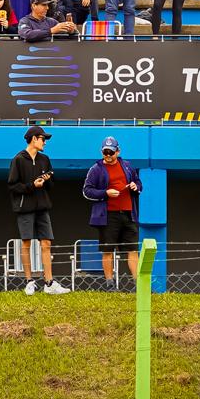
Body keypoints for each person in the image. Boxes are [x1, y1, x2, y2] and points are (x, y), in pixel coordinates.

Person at [8, 126, 69, 294]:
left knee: (46, 243)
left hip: (42, 207)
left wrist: (47, 180)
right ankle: (29, 282)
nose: (45, 142)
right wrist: (31, 185)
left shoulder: (45, 159)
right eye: (43, 139)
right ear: (34, 139)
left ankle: (49, 283)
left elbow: (51, 184)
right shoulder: (18, 160)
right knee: (26, 243)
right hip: (25, 208)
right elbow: (12, 186)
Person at [81, 136, 142, 290]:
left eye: (111, 152)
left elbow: (138, 182)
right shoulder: (96, 169)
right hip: (108, 215)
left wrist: (135, 186)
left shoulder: (127, 166)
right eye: (105, 152)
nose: (108, 155)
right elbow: (87, 191)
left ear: (118, 151)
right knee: (107, 250)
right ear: (101, 152)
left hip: (128, 213)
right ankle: (109, 284)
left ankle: (138, 283)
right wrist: (105, 193)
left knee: (133, 249)